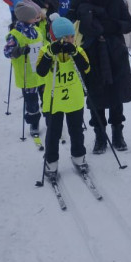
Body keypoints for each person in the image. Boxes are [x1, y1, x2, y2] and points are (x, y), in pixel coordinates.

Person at [67, 0, 131, 154]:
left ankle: (117, 133)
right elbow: (68, 26)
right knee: (96, 95)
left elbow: (128, 24)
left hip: (115, 53)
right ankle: (99, 134)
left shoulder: (116, 0)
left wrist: (110, 26)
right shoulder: (79, 1)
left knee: (116, 94)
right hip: (91, 54)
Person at [35, 17, 91, 182]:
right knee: (53, 133)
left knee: (76, 131)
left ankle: (78, 157)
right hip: (54, 102)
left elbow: (86, 68)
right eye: (64, 38)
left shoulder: (77, 50)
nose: (68, 40)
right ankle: (51, 162)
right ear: (55, 39)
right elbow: (40, 72)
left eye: (71, 36)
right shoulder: (46, 51)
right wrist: (50, 53)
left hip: (74, 99)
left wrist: (74, 51)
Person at [3, 0, 45, 138]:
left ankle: (50, 118)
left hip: (41, 73)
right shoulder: (15, 35)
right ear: (27, 18)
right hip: (27, 76)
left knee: (47, 98)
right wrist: (19, 51)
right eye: (34, 16)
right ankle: (34, 122)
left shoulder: (37, 31)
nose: (37, 18)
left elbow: (43, 46)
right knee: (32, 103)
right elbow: (7, 52)